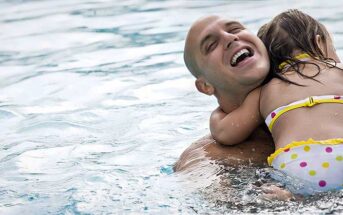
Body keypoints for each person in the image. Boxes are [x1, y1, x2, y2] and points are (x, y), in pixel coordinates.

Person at [210, 9, 343, 194]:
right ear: (318, 42)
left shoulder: (264, 91)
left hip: (296, 164)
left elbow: (225, 133)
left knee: (295, 192)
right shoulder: (339, 70)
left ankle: (289, 197)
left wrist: (217, 114)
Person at [174, 15, 275, 172]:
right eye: (212, 45)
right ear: (205, 86)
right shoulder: (206, 159)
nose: (230, 38)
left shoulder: (319, 99)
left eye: (235, 29)